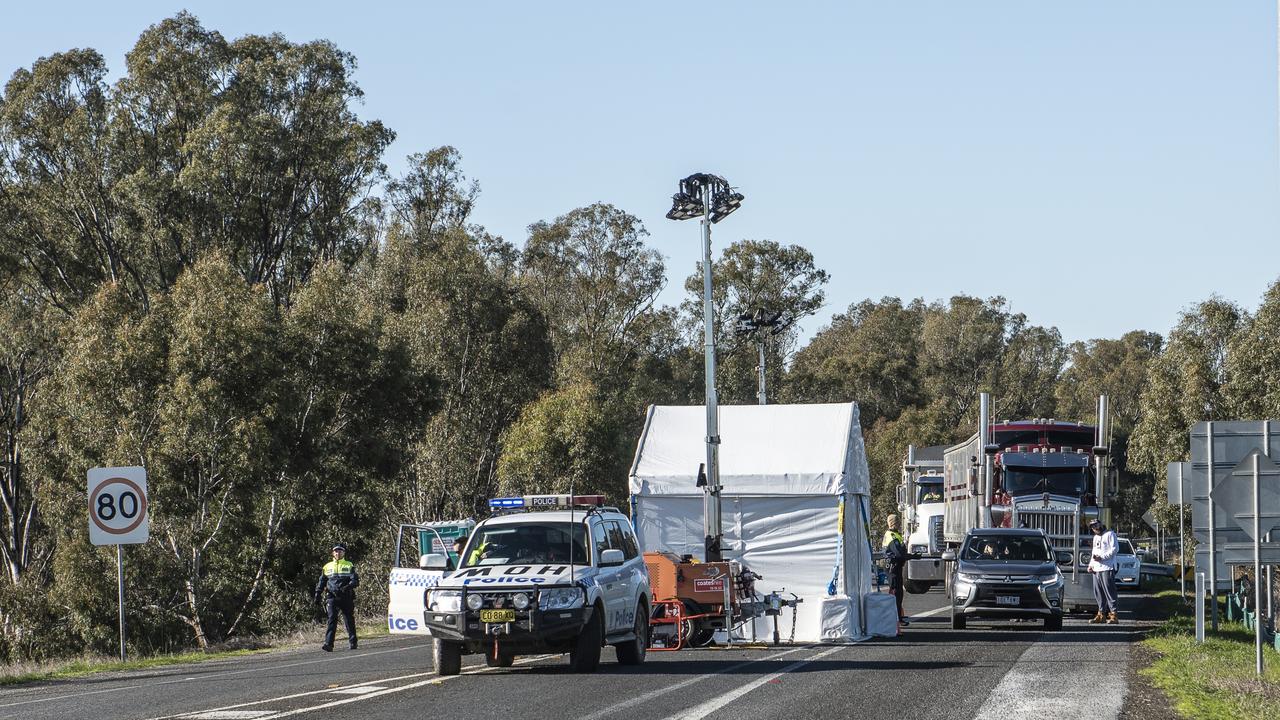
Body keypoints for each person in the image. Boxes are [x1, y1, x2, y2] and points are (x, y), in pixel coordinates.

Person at [314, 542, 360, 651]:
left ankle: (353, 642)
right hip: (332, 596)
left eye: (340, 550)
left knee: (348, 619)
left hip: (346, 596)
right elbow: (322, 582)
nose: (337, 553)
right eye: (335, 551)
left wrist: (348, 587)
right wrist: (317, 593)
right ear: (332, 553)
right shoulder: (327, 566)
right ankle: (328, 644)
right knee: (331, 619)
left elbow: (355, 581)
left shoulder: (349, 565)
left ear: (344, 552)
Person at [1086, 519, 1119, 624]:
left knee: (1110, 591)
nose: (1095, 527)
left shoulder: (1110, 534)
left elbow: (1115, 549)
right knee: (1098, 593)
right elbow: (1094, 552)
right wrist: (1091, 565)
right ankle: (1101, 615)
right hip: (1097, 569)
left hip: (1107, 567)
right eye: (1092, 526)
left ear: (1100, 524)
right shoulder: (1095, 537)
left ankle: (1113, 615)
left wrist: (1102, 558)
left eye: (1096, 525)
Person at [882, 515, 912, 626]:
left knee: (897, 592)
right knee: (896, 593)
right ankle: (896, 618)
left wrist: (911, 556)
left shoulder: (893, 534)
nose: (899, 524)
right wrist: (910, 557)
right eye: (898, 522)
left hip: (895, 567)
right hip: (893, 567)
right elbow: (899, 554)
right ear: (894, 523)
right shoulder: (892, 536)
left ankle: (898, 616)